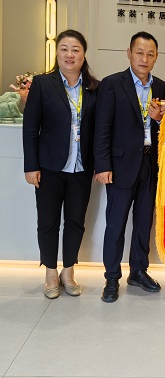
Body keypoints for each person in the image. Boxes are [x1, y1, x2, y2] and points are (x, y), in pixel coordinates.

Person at [94, 31, 165, 303]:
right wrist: (102, 165)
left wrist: (160, 120)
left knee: (143, 223)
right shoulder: (112, 84)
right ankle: (111, 277)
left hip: (150, 163)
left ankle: (138, 271)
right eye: (139, 53)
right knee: (115, 224)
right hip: (120, 165)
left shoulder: (161, 87)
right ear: (129, 53)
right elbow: (102, 128)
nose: (144, 59)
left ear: (156, 57)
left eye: (150, 54)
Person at [23, 29, 99, 299]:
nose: (70, 54)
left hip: (81, 168)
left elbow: (100, 130)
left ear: (84, 54)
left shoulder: (94, 87)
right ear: (57, 53)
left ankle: (68, 271)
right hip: (49, 168)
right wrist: (31, 165)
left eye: (75, 49)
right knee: (48, 222)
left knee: (76, 222)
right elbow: (30, 127)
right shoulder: (43, 84)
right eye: (64, 49)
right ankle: (50, 272)